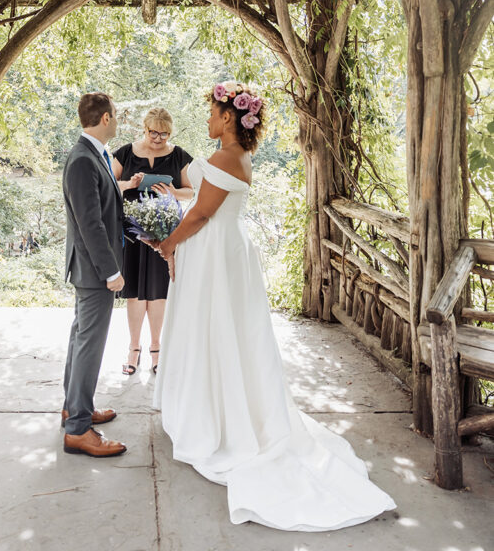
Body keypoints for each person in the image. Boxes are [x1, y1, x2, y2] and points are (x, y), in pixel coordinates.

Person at [154, 82, 396, 530]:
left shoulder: (228, 158)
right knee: (217, 328)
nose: (207, 119)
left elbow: (203, 213)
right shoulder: (232, 157)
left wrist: (168, 244)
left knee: (215, 328)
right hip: (222, 249)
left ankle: (217, 418)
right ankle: (212, 402)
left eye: (211, 112)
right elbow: (198, 199)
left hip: (215, 253)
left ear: (229, 117)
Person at [61, 92, 127, 459]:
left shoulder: (91, 156)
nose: (116, 121)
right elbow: (91, 224)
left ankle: (75, 408)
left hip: (88, 269)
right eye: (115, 116)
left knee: (80, 338)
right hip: (93, 270)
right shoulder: (83, 160)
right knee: (89, 344)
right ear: (105, 118)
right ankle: (78, 430)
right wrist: (111, 271)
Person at [112, 108, 193, 376]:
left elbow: (190, 191)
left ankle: (156, 348)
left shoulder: (179, 155)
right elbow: (109, 184)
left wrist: (172, 192)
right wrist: (129, 184)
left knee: (159, 291)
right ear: (144, 128)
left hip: (165, 231)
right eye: (153, 132)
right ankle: (133, 349)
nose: (158, 138)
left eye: (164, 134)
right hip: (132, 232)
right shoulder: (125, 152)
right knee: (134, 291)